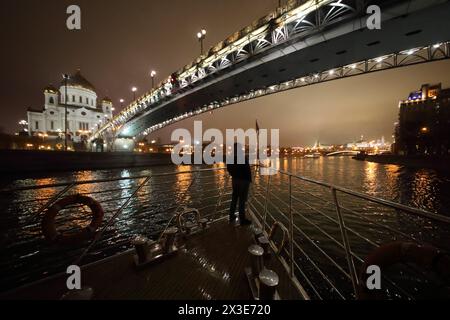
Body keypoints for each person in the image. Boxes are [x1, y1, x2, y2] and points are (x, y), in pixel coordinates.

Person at [227, 143, 252, 226]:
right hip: (243, 180)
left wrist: (234, 175)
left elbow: (229, 168)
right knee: (242, 200)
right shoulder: (242, 156)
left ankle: (231, 216)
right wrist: (248, 179)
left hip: (235, 180)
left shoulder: (230, 156)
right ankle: (242, 220)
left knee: (234, 198)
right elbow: (246, 168)